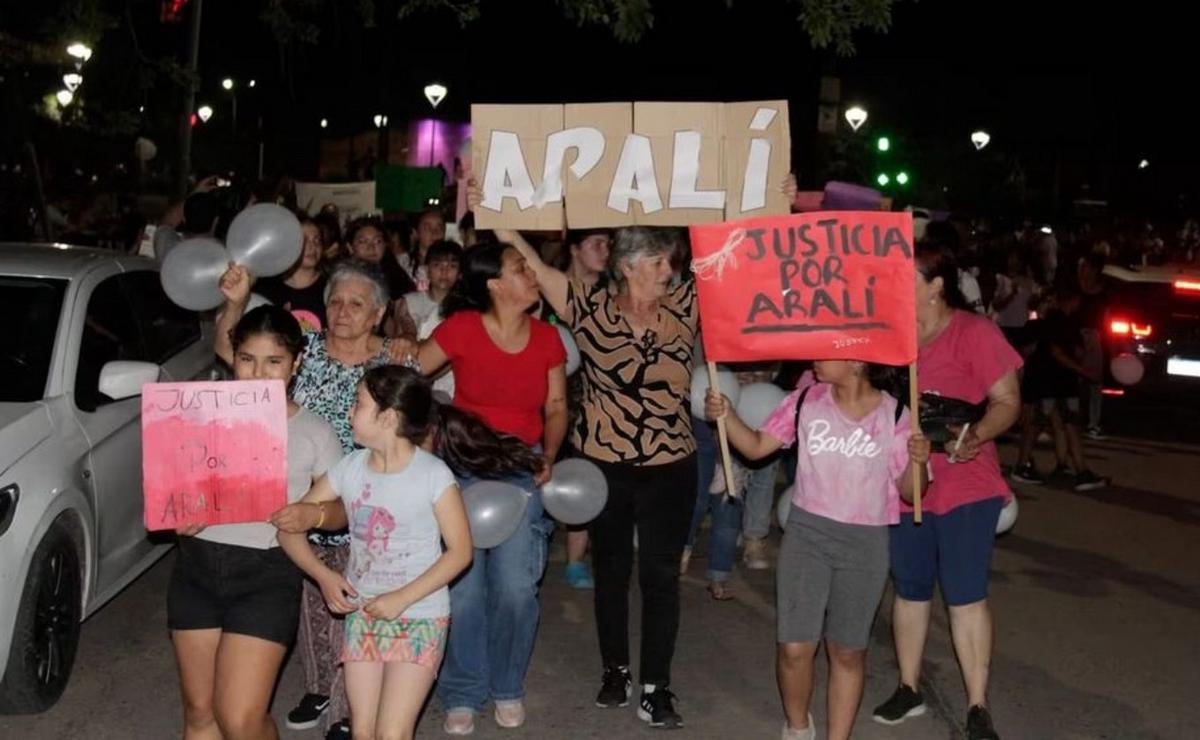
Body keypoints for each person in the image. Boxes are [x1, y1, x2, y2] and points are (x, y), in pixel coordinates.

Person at [216, 258, 401, 740]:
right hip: (295, 500)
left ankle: (348, 711)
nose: (342, 312)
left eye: (356, 304)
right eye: (335, 301)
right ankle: (320, 689)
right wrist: (235, 303)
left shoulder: (395, 360)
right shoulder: (306, 349)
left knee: (354, 608)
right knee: (312, 610)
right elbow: (235, 350)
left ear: (377, 314)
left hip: (362, 504)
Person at [706, 360, 930, 740]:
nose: (815, 357)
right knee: (794, 648)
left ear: (856, 360)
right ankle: (797, 727)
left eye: (827, 350)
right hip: (808, 534)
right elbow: (758, 448)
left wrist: (918, 461)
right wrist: (726, 416)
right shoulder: (805, 400)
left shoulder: (895, 413)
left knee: (847, 651)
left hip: (865, 541)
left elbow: (913, 492)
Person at [400, 241, 568, 734]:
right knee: (466, 588)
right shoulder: (463, 329)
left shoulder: (546, 339)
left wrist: (551, 453)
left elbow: (557, 407)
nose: (531, 274)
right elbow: (409, 377)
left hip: (522, 470)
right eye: (521, 267)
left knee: (517, 587)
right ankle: (463, 689)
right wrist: (428, 435)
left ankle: (508, 685)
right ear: (495, 284)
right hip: (463, 470)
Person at [169, 306, 343, 740]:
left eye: (274, 361)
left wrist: (313, 513)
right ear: (232, 356)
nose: (258, 373)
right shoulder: (198, 415)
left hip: (266, 575)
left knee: (241, 719)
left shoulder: (315, 432)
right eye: (247, 359)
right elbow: (170, 494)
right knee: (199, 712)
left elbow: (343, 508)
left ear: (296, 362)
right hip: (196, 568)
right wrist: (180, 514)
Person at [871, 241, 1022, 740]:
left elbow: (1006, 401)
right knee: (910, 588)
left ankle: (978, 705)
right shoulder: (892, 337)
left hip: (965, 481)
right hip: (905, 480)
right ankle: (909, 687)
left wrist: (975, 436)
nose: (896, 285)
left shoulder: (974, 332)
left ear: (936, 285)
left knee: (964, 594)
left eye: (907, 277)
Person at [277, 366, 473, 740]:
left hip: (420, 615)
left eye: (358, 404)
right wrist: (325, 576)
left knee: (393, 733)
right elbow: (290, 528)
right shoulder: (349, 469)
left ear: (388, 417)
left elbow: (461, 552)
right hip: (364, 615)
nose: (350, 412)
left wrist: (401, 598)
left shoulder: (433, 475)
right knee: (362, 730)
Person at [551, 228, 612, 589]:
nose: (605, 251)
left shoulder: (613, 294)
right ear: (575, 249)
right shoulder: (547, 290)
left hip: (595, 395)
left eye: (608, 244)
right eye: (596, 244)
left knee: (585, 474)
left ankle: (575, 559)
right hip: (550, 394)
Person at [1012, 283, 1109, 491]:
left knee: (1057, 424)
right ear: (1073, 300)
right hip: (1055, 382)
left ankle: (1062, 465)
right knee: (1052, 424)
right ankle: (1078, 471)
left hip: (1050, 382)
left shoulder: (1053, 321)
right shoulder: (1060, 323)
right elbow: (1057, 352)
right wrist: (1083, 371)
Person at [254, 215, 330, 333]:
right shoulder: (267, 286)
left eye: (317, 240)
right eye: (303, 241)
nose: (312, 246)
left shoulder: (331, 286)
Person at [345, 215, 418, 304]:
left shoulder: (398, 279)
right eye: (363, 242)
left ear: (385, 245)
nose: (371, 247)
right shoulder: (342, 279)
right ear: (350, 247)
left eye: (378, 241)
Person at [399, 208, 448, 290]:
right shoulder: (402, 262)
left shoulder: (452, 263)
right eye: (427, 228)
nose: (434, 232)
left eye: (439, 228)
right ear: (416, 233)